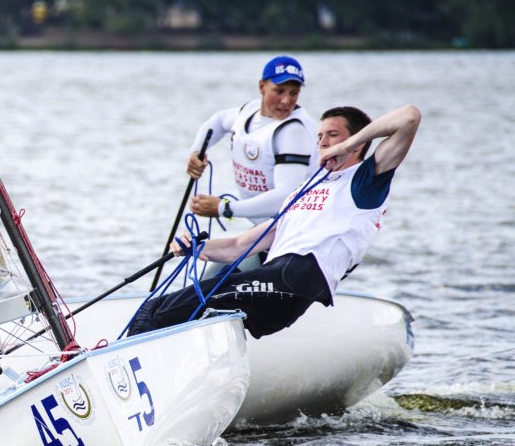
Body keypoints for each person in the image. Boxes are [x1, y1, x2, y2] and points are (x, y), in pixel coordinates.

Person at [128, 104, 421, 339]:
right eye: (319, 136)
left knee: (158, 312)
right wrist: (195, 247)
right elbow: (239, 245)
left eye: (333, 135)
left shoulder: (363, 180)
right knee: (160, 309)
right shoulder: (305, 190)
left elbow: (409, 117)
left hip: (301, 276)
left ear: (358, 143)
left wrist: (348, 145)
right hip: (276, 282)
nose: (323, 142)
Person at [185, 55, 319, 222]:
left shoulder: (294, 132)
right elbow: (218, 121)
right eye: (279, 91)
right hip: (267, 227)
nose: (286, 101)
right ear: (262, 86)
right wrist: (196, 151)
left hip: (297, 226)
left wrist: (223, 208)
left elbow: (285, 197)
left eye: (294, 93)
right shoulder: (249, 110)